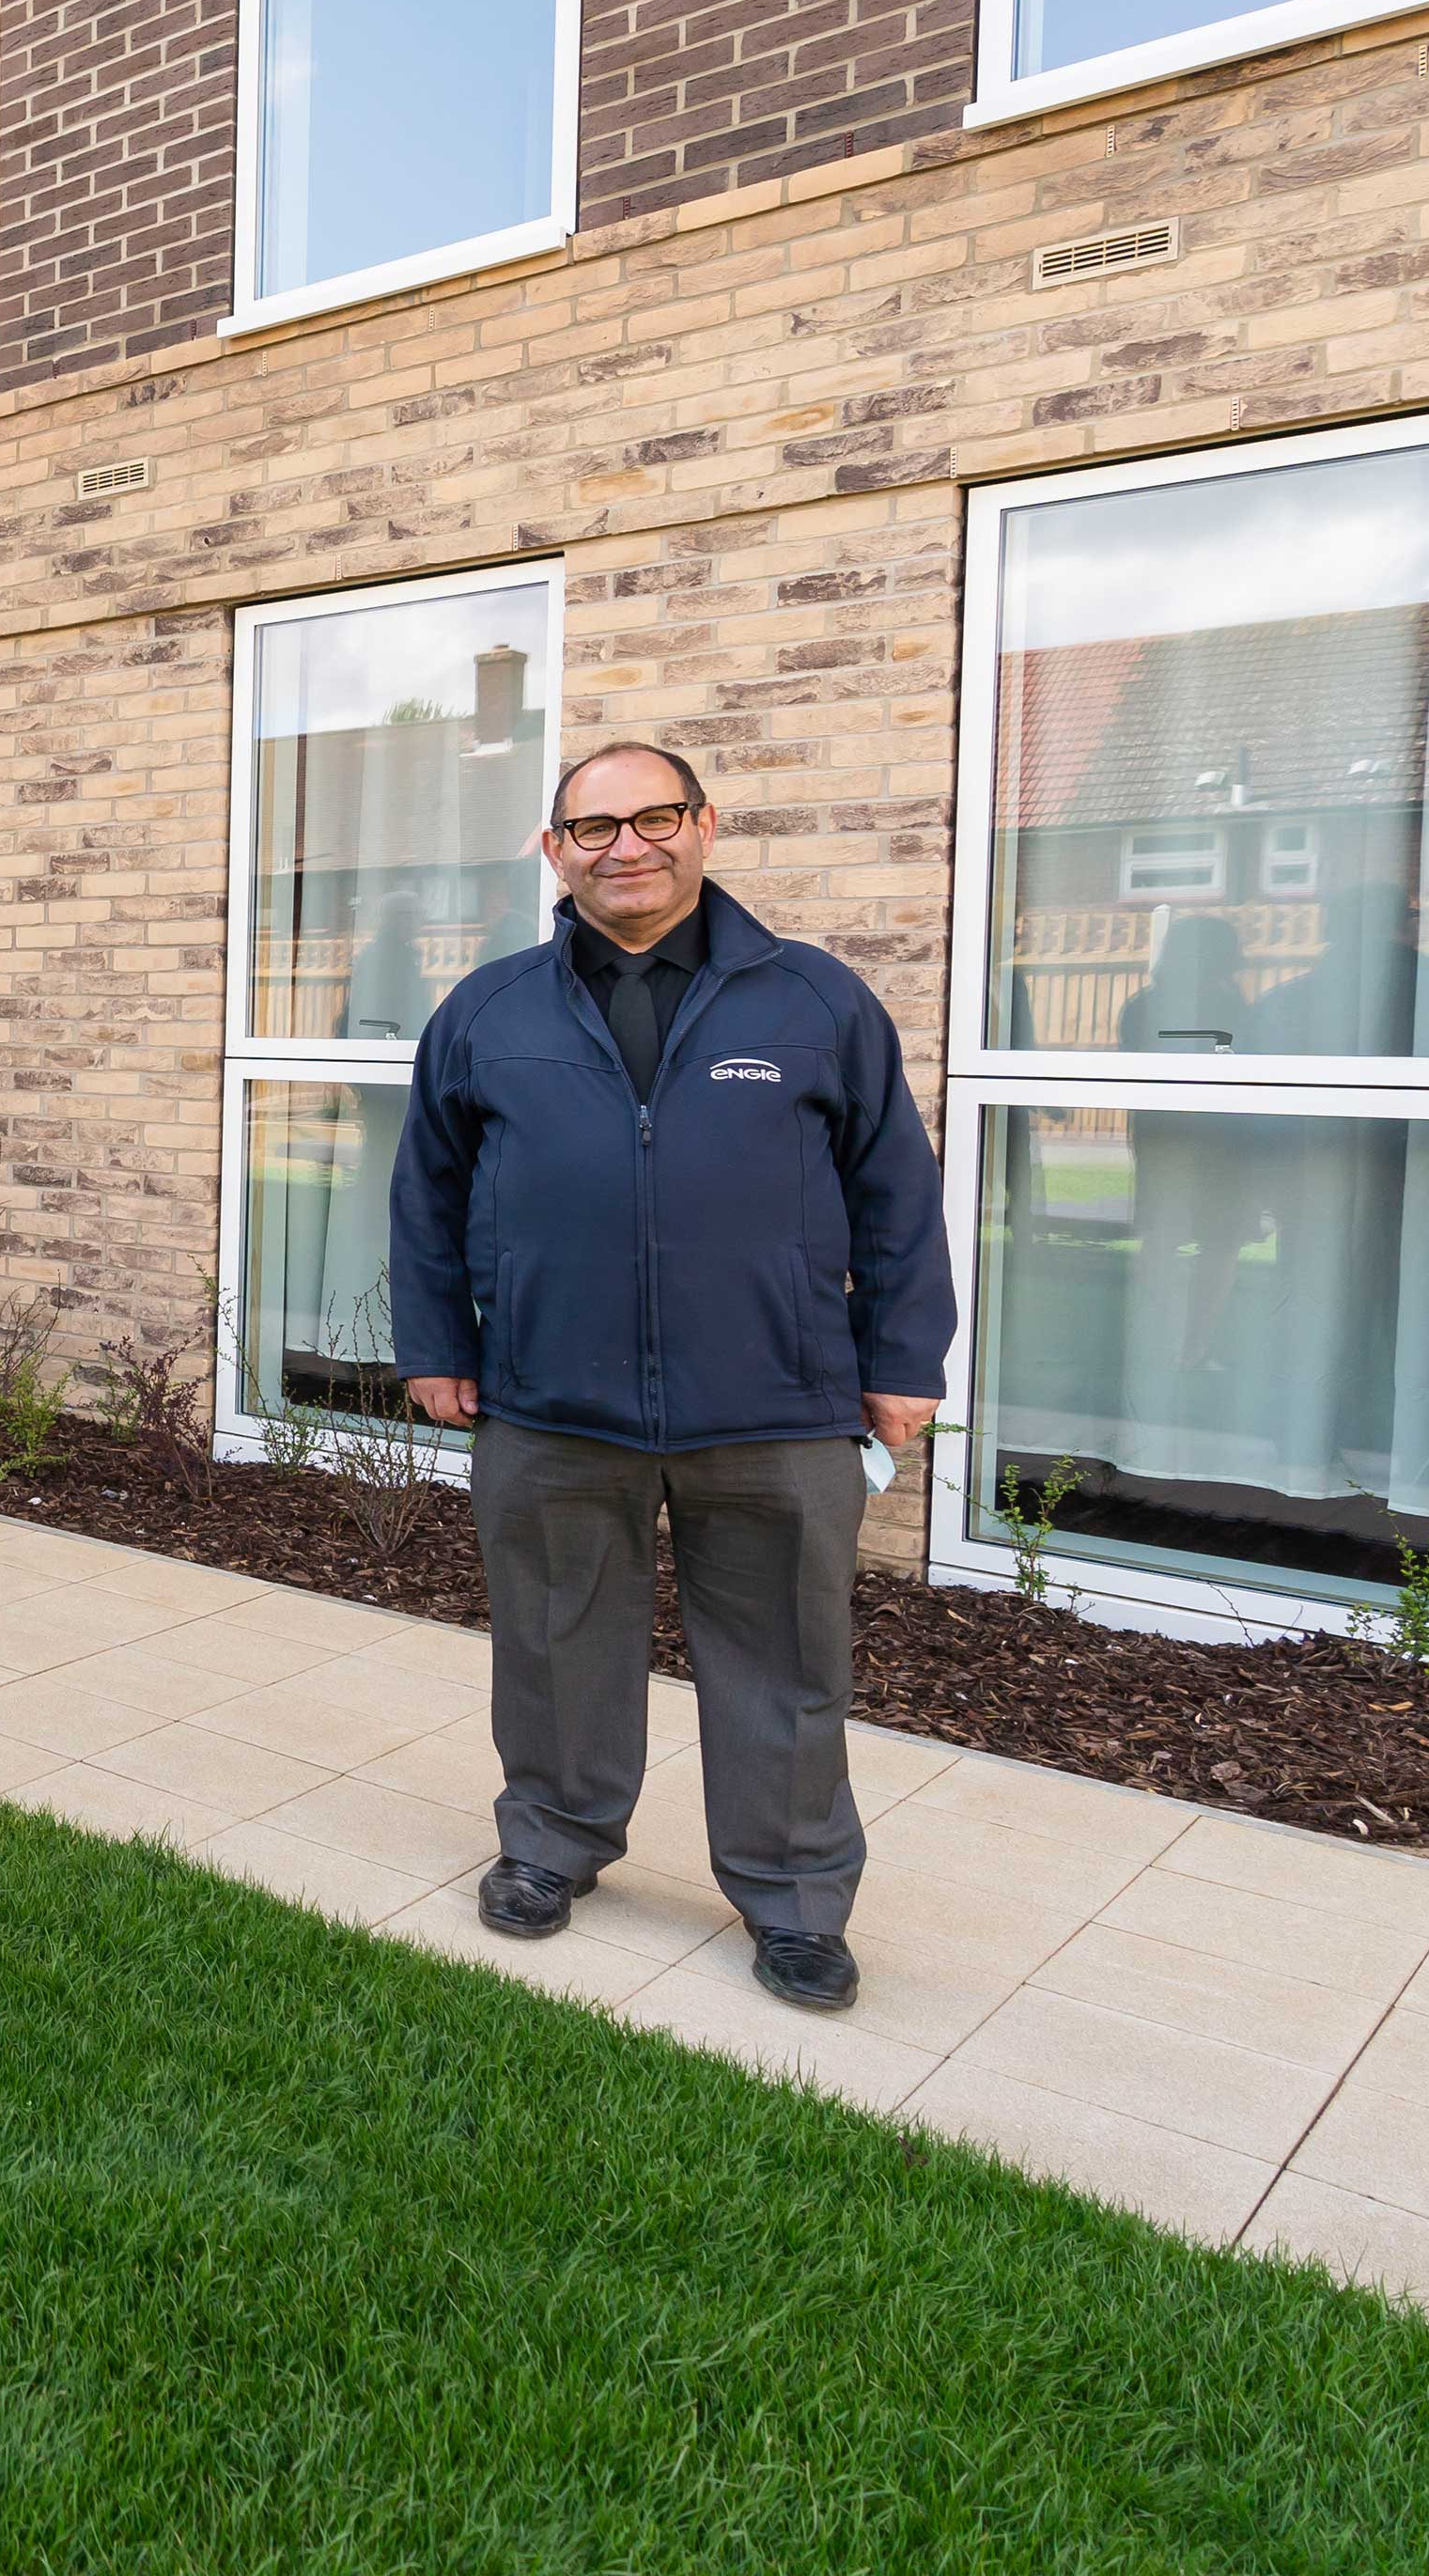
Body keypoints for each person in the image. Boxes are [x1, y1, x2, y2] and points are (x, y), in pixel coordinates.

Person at [390, 740, 953, 2013]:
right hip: (550, 1397)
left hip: (776, 1398)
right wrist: (437, 1347)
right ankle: (550, 1842)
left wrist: (904, 1357)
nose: (625, 847)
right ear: (554, 852)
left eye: (654, 818)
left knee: (784, 1662)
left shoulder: (812, 1002)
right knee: (550, 1640)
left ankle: (797, 1901)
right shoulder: (488, 1011)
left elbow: (895, 1192)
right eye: (593, 828)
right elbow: (426, 1195)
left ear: (705, 826)